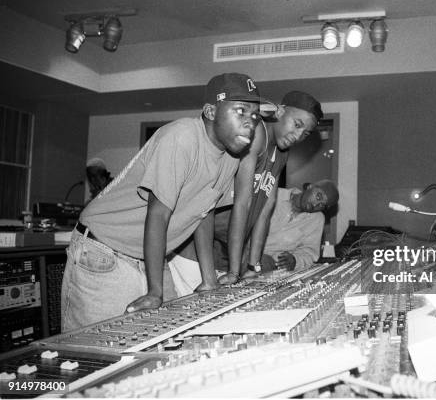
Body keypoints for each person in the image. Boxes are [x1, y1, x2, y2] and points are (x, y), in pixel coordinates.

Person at [60, 73, 265, 331]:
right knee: (97, 354)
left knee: (163, 340)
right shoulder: (181, 137)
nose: (250, 122)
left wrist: (209, 278)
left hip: (148, 255)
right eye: (240, 111)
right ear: (211, 111)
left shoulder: (231, 158)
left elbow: (203, 214)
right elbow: (158, 215)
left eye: (255, 115)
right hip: (104, 248)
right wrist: (155, 291)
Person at [171, 91, 324, 285]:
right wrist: (235, 271)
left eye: (306, 133)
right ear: (280, 112)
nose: (298, 136)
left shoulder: (282, 152)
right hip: (196, 250)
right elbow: (242, 203)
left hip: (226, 254)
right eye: (297, 124)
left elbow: (264, 211)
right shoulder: (256, 133)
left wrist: (253, 266)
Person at [170, 180, 339, 296]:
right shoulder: (273, 194)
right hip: (235, 247)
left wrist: (295, 259)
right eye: (318, 196)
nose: (317, 205)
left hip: (266, 262)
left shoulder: (317, 219)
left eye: (323, 205)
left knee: (258, 266)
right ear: (309, 186)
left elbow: (309, 252)